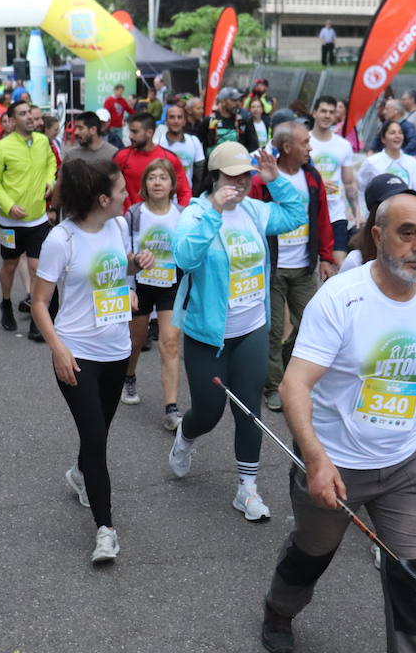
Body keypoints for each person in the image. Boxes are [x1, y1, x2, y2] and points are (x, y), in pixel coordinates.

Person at [262, 192, 416, 653]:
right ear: (378, 234)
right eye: (407, 233)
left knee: (412, 575)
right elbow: (294, 384)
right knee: (312, 552)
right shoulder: (340, 299)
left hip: (407, 463)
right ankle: (279, 608)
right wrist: (317, 461)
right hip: (337, 465)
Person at [168, 143, 306, 520]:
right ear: (215, 177)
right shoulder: (194, 214)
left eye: (245, 175)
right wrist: (214, 211)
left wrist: (275, 179)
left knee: (249, 413)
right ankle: (186, 437)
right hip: (207, 334)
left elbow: (295, 214)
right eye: (232, 176)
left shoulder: (254, 211)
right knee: (209, 413)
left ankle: (247, 490)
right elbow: (184, 257)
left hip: (252, 329)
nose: (241, 183)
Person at [32, 161, 151, 563]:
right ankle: (106, 530)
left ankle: (80, 474)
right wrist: (58, 349)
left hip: (117, 350)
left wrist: (133, 273)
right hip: (77, 354)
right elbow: (39, 303)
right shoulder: (60, 240)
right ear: (102, 199)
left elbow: (116, 270)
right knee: (97, 440)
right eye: (120, 191)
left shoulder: (117, 228)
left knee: (97, 433)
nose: (126, 197)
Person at [247, 121, 337, 413]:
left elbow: (321, 217)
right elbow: (250, 221)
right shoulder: (261, 180)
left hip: (303, 267)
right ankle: (273, 386)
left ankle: (290, 373)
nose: (310, 147)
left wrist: (326, 257)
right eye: (305, 142)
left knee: (311, 324)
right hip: (271, 268)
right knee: (272, 330)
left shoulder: (311, 177)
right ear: (287, 147)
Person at [122, 159, 186, 425]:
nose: (157, 182)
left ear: (172, 184)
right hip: (141, 286)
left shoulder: (183, 215)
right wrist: (129, 287)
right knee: (135, 340)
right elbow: (122, 254)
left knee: (170, 343)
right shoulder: (134, 214)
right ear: (144, 184)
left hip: (171, 286)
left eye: (163, 177)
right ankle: (129, 376)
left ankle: (171, 409)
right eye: (152, 178)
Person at [0, 99, 57, 334]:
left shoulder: (42, 141)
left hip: (38, 218)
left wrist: (50, 182)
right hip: (11, 222)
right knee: (9, 265)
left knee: (37, 266)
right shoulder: (2, 148)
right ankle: (6, 303)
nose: (29, 117)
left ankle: (38, 315)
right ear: (12, 120)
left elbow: (51, 164)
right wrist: (8, 206)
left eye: (30, 112)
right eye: (22, 113)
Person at [308, 96, 359, 264]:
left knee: (339, 263)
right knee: (312, 267)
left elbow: (349, 182)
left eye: (331, 112)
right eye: (323, 111)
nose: (327, 115)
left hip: (336, 213)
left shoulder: (343, 145)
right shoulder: (303, 141)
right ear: (314, 113)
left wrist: (356, 211)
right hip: (309, 213)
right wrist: (319, 186)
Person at [114, 112, 191, 210]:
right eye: (130, 132)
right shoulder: (121, 156)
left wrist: (180, 215)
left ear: (149, 133)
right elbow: (110, 189)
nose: (130, 136)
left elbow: (184, 191)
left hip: (160, 221)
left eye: (135, 132)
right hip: (128, 221)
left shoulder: (169, 157)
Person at [356, 120, 416, 204]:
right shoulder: (371, 162)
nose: (397, 136)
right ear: (383, 139)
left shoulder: (411, 162)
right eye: (392, 133)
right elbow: (360, 189)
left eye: (400, 133)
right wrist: (362, 213)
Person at [153, 104, 205, 192]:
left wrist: (194, 195)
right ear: (166, 121)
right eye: (172, 117)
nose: (176, 121)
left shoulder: (194, 141)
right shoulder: (156, 143)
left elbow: (199, 172)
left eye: (179, 117)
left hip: (187, 197)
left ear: (184, 121)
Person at [206, 88, 259, 155]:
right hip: (213, 164)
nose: (238, 104)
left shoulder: (243, 121)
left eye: (239, 100)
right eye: (234, 100)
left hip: (238, 163)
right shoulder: (209, 120)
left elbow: (254, 146)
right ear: (223, 101)